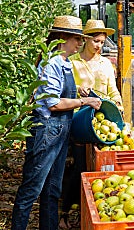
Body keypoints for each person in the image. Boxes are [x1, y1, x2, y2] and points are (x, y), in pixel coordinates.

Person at [11, 16, 102, 230]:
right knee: (32, 188)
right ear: (62, 38)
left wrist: (77, 91)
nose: (80, 44)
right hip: (47, 130)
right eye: (76, 39)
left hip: (61, 129)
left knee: (52, 189)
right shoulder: (51, 63)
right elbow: (52, 103)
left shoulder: (64, 63)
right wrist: (84, 101)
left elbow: (60, 91)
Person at [59, 19, 123, 229]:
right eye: (95, 41)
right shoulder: (73, 62)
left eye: (102, 43)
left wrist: (119, 102)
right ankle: (65, 211)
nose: (99, 46)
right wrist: (79, 89)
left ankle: (94, 210)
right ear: (85, 39)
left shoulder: (105, 64)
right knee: (79, 167)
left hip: (102, 120)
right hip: (79, 120)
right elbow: (65, 89)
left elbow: (112, 90)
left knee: (100, 167)